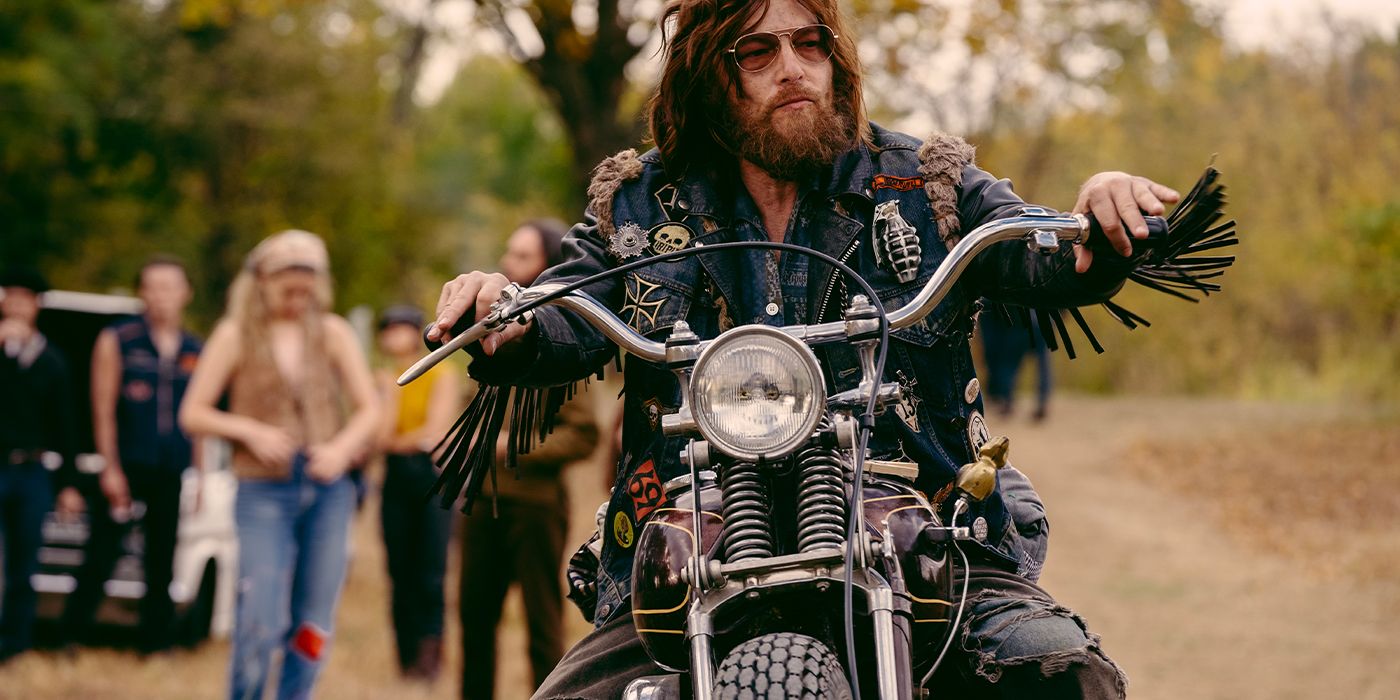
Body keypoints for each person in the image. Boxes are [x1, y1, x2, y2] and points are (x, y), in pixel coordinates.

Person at [429, 1, 1183, 696]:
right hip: (697, 545)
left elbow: (1039, 250)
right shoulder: (639, 202)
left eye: (808, 42)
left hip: (926, 530)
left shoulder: (925, 182)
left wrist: (1101, 217)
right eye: (756, 51)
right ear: (709, 77)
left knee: (1069, 676)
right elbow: (569, 307)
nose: (792, 65)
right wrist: (509, 316)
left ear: (835, 59)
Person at [179, 230, 379, 699]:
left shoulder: (332, 331)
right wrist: (250, 430)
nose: (297, 300)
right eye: (288, 290)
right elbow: (193, 413)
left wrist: (341, 448)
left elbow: (369, 409)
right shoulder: (234, 335)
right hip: (262, 492)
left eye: (306, 291)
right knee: (260, 620)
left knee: (313, 622)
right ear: (261, 283)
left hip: (328, 491)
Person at [458, 219, 600, 699]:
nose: (507, 265)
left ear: (545, 266)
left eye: (520, 257)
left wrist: (509, 446)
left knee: (542, 626)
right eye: (507, 254)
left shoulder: (563, 348)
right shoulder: (489, 331)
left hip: (536, 507)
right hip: (478, 502)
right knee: (474, 622)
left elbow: (584, 435)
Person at [59, 256, 203, 653]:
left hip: (170, 467)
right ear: (141, 292)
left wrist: (202, 476)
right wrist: (111, 468)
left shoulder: (195, 349)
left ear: (185, 293)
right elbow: (102, 408)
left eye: (170, 287)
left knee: (162, 559)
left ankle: (155, 644)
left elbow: (200, 419)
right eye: (152, 287)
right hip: (126, 465)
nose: (161, 296)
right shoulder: (119, 339)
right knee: (102, 552)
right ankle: (71, 635)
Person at [374, 303, 460, 681]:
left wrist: (395, 439)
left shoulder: (441, 372)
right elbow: (379, 436)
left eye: (402, 328)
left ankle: (429, 658)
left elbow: (435, 433)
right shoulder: (381, 378)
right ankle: (404, 657)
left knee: (430, 569)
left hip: (430, 475)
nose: (395, 336)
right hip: (395, 478)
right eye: (388, 329)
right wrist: (390, 411)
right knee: (398, 569)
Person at [0, 266, 76, 664]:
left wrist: (67, 483)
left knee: (24, 561)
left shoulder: (52, 361)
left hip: (31, 471)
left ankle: (15, 645)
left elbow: (64, 427)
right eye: (8, 297)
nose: (14, 305)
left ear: (36, 305)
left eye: (22, 298)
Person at [979, 306, 1053, 421]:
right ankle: (1042, 402)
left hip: (1020, 323)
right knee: (1042, 365)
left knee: (1010, 363)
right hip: (1041, 322)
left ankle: (1007, 401)